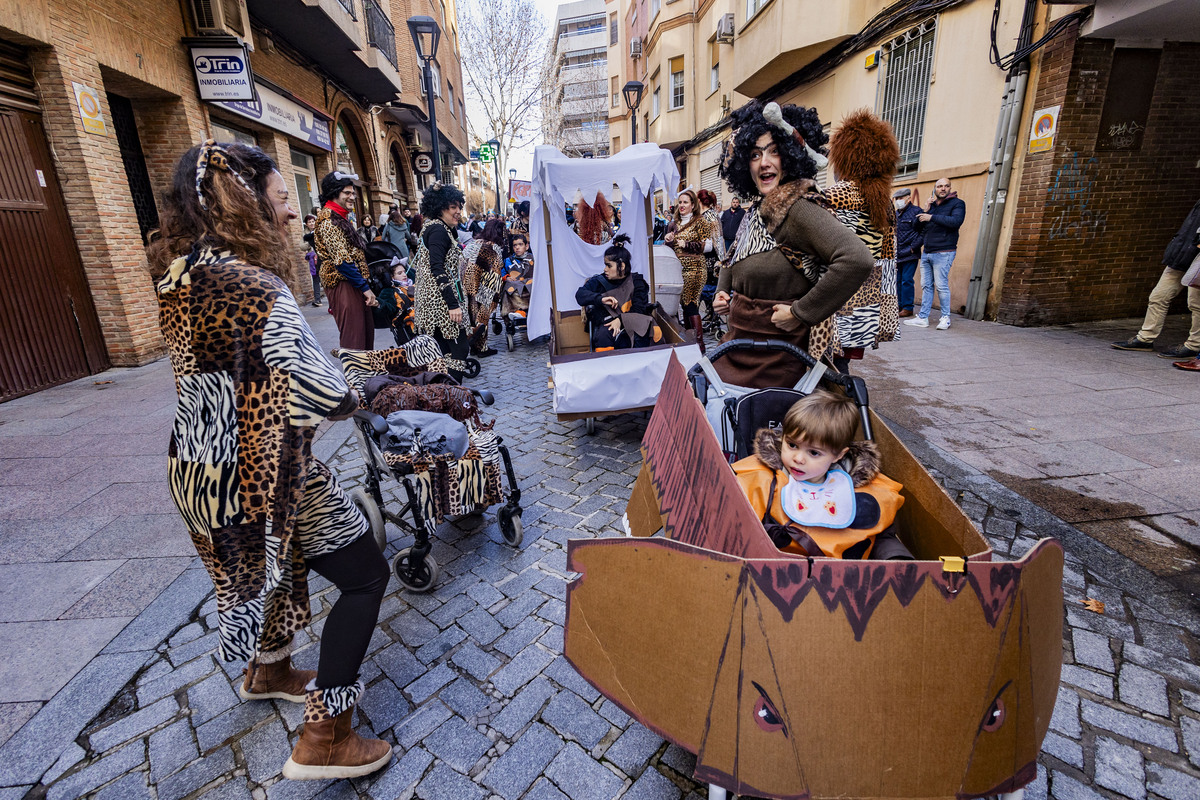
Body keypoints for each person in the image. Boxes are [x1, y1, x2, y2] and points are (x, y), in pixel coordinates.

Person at [146, 141, 392, 780]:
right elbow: (323, 393)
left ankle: (269, 668)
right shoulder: (257, 287)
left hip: (201, 468)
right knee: (365, 577)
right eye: (284, 200)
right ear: (245, 202)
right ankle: (326, 738)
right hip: (266, 467)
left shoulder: (181, 275)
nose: (291, 214)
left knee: (268, 571)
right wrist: (387, 374)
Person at [713, 100, 873, 388]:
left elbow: (856, 259)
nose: (764, 162)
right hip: (741, 348)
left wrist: (801, 314)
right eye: (755, 154)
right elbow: (736, 255)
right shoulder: (760, 206)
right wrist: (724, 292)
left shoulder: (796, 206)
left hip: (776, 361)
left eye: (774, 151)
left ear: (791, 156)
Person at [732, 389, 908, 560]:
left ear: (839, 455)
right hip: (773, 565)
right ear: (782, 436)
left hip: (841, 575)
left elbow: (884, 535)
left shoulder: (866, 490)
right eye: (792, 445)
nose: (798, 458)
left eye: (814, 453)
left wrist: (896, 559)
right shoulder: (760, 478)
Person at [819, 108, 901, 371]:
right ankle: (848, 407)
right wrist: (886, 307)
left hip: (832, 294)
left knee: (821, 367)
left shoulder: (831, 196)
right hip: (867, 296)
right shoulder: (886, 202)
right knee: (841, 366)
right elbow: (889, 258)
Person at [1112, 197, 1200, 361]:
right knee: (1158, 296)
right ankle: (1145, 339)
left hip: (1198, 259)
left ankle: (1194, 346)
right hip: (1181, 254)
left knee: (1195, 303)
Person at [413, 182, 471, 380]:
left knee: (445, 351)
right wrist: (453, 305)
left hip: (437, 302)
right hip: (440, 304)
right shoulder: (438, 230)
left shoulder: (438, 228)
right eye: (453, 207)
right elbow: (437, 268)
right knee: (459, 349)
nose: (458, 211)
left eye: (459, 207)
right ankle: (452, 394)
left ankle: (445, 395)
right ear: (440, 208)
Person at [314, 171, 377, 349]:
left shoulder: (340, 217)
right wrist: (365, 288)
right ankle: (355, 376)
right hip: (342, 282)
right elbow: (342, 261)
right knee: (354, 336)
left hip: (352, 281)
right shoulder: (328, 220)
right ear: (334, 193)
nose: (352, 197)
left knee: (365, 333)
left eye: (352, 193)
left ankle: (366, 375)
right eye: (347, 193)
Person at [575, 234, 660, 351]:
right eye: (605, 265)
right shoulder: (598, 281)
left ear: (622, 266)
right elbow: (580, 295)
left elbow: (639, 309)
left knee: (645, 328)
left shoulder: (637, 282)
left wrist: (620, 320)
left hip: (632, 322)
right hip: (607, 326)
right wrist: (600, 299)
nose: (605, 269)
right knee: (603, 335)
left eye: (609, 266)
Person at [905, 177, 965, 330]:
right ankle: (923, 317)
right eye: (939, 186)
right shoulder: (931, 206)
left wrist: (931, 217)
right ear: (935, 188)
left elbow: (955, 222)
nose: (943, 189)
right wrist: (925, 210)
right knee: (926, 285)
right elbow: (917, 227)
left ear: (950, 188)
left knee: (941, 285)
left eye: (946, 186)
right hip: (928, 252)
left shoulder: (957, 204)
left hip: (944, 251)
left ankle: (945, 317)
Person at [665, 188, 718, 354]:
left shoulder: (700, 221)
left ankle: (699, 346)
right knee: (683, 305)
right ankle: (690, 343)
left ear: (693, 204)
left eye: (685, 202)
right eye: (680, 202)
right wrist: (669, 240)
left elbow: (709, 246)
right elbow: (669, 248)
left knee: (690, 304)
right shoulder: (673, 224)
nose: (682, 205)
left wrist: (686, 244)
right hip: (678, 269)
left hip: (695, 269)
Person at [462, 218, 505, 357]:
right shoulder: (493, 248)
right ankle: (481, 347)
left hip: (466, 283)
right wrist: (495, 295)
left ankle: (474, 345)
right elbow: (494, 274)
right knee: (483, 313)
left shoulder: (473, 244)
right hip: (482, 283)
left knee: (471, 313)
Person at [893, 188, 922, 318]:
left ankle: (908, 307)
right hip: (897, 253)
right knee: (897, 281)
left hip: (910, 252)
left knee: (907, 280)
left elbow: (923, 232)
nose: (898, 201)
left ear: (908, 198)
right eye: (897, 199)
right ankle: (898, 306)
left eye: (901, 198)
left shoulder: (916, 212)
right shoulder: (895, 214)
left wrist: (913, 247)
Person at [301, 214, 322, 307]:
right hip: (312, 260)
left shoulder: (319, 230)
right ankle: (317, 300)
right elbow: (301, 246)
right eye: (309, 222)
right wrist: (310, 241)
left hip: (321, 257)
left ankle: (332, 302)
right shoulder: (304, 233)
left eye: (313, 221)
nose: (312, 223)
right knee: (315, 279)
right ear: (306, 224)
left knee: (324, 279)